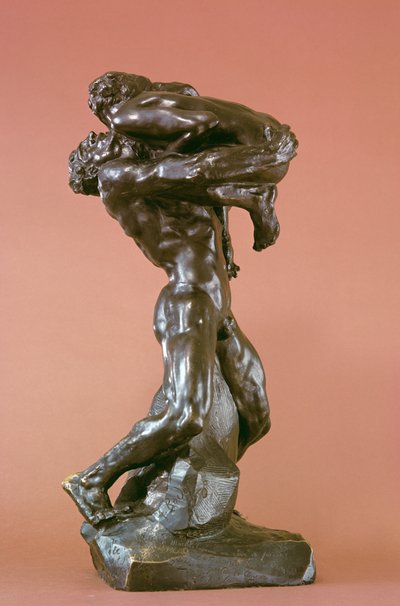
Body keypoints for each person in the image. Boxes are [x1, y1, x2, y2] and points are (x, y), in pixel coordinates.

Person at [63, 78, 297, 526]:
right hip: (188, 302)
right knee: (185, 416)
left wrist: (258, 210)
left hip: (219, 308)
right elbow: (200, 173)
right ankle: (91, 480)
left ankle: (170, 487)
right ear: (94, 169)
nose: (102, 137)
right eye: (93, 144)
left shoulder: (158, 182)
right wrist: (268, 160)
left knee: (256, 416)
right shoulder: (118, 181)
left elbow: (216, 189)